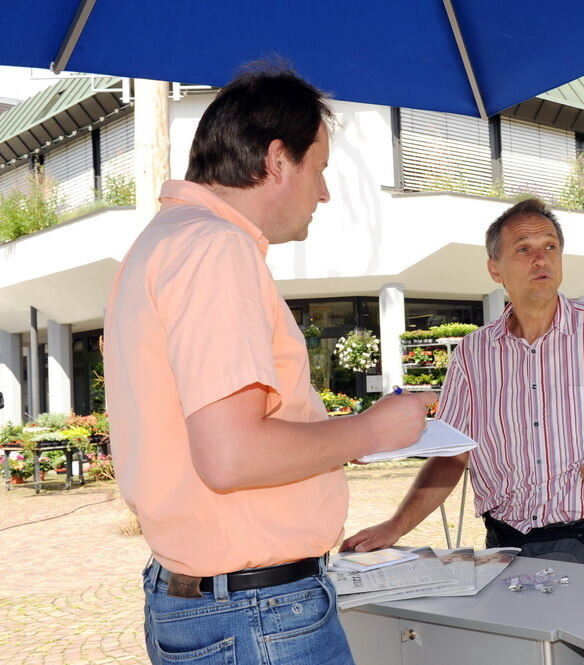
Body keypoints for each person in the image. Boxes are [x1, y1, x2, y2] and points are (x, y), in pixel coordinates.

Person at [104, 64, 433, 665]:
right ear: (279, 160)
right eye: (320, 169)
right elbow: (231, 455)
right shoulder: (213, 248)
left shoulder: (162, 243)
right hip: (257, 613)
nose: (325, 191)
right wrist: (373, 431)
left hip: (208, 599)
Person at [343, 198, 584, 570]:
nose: (541, 260)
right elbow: (453, 456)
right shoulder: (473, 354)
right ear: (495, 269)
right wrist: (396, 527)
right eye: (524, 249)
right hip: (507, 547)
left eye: (550, 247)